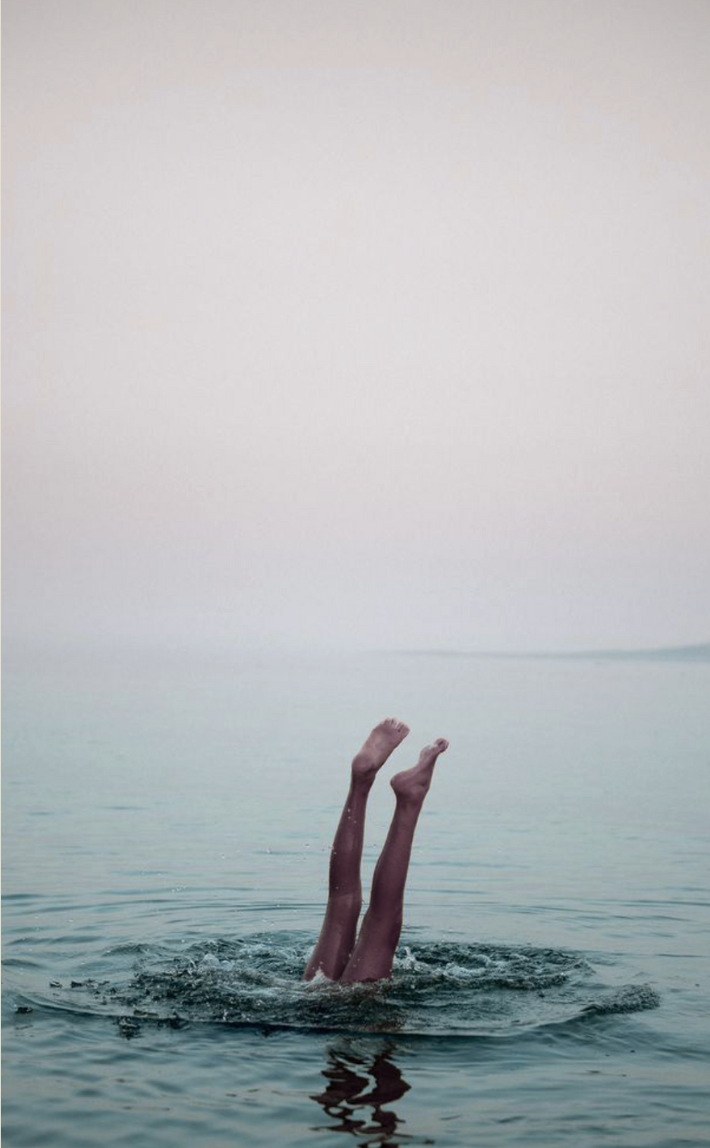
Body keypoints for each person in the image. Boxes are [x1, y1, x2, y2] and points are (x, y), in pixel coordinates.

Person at [303, 719, 449, 983]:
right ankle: (361, 782)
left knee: (379, 920)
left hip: (332, 998)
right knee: (340, 902)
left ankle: (408, 800)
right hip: (309, 993)